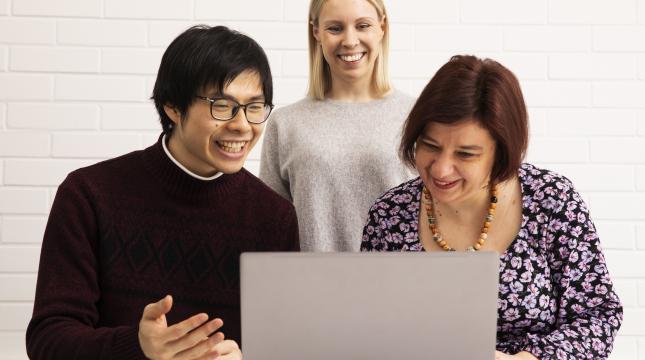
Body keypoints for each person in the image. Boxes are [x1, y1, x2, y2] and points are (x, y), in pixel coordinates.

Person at [26, 25, 299, 359]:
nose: (242, 124)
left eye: (254, 106)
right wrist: (140, 347)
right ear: (172, 106)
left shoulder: (274, 217)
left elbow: (284, 347)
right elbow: (48, 340)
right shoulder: (89, 195)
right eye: (222, 105)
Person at [360, 55, 623, 359]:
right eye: (430, 146)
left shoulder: (552, 200)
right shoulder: (389, 213)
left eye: (466, 154)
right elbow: (371, 328)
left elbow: (598, 317)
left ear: (501, 153)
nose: (441, 169)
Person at [260, 0, 415, 251]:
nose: (350, 40)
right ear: (316, 32)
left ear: (382, 27)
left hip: (399, 284)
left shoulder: (417, 116)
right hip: (311, 286)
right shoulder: (286, 123)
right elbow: (269, 229)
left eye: (362, 25)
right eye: (335, 28)